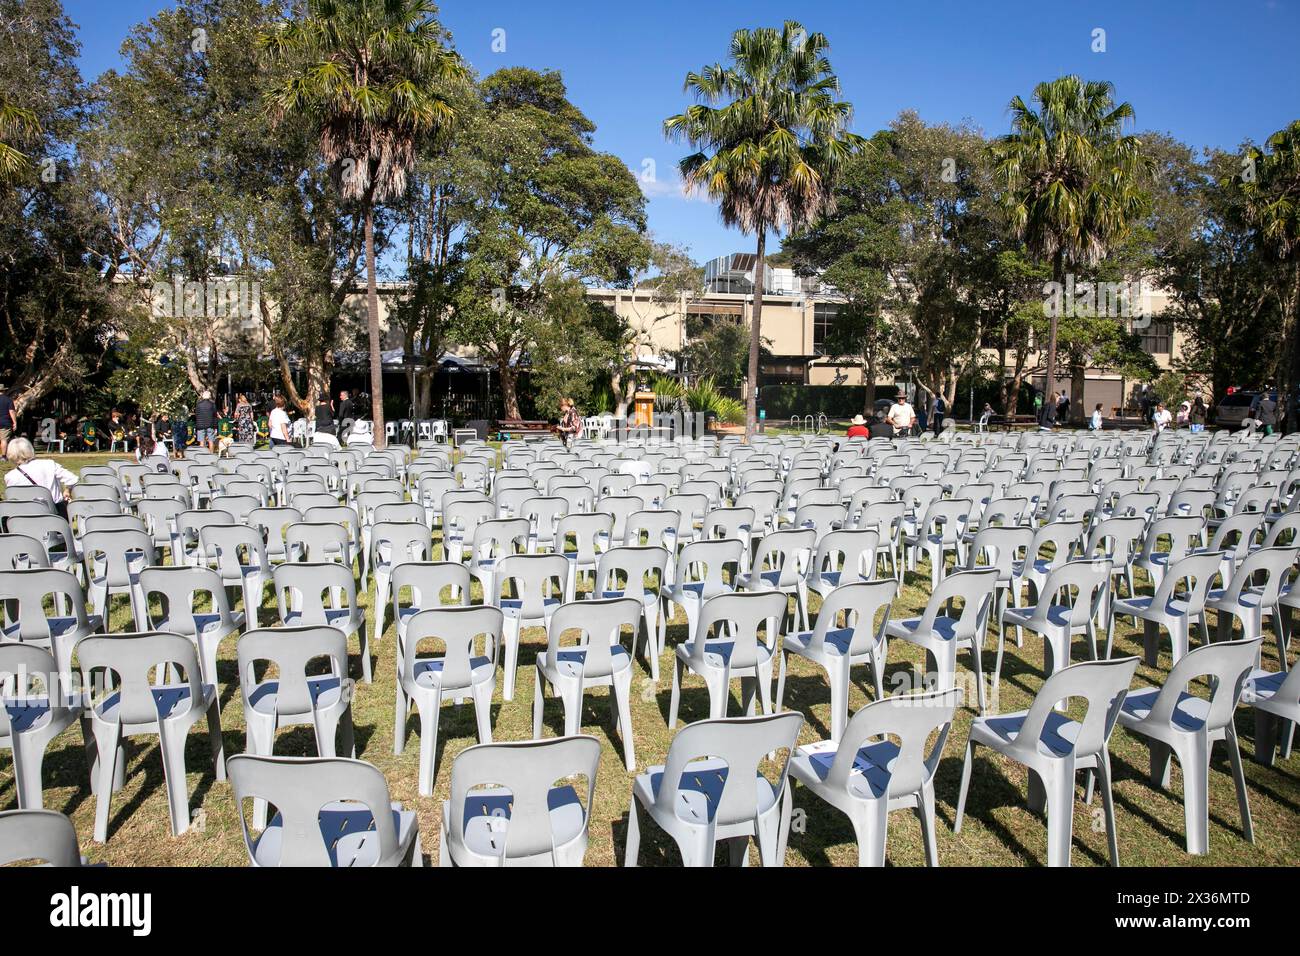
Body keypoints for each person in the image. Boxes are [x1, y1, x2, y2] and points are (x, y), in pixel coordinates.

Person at [4, 436, 77, 518]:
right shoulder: (49, 464)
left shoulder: (10, 476)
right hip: (56, 514)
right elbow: (73, 479)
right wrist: (67, 490)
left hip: (27, 516)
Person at [195, 389, 219, 453]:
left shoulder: (198, 404)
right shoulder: (212, 404)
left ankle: (201, 456)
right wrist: (216, 427)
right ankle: (211, 455)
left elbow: (196, 415)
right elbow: (215, 416)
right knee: (211, 441)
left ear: (203, 396)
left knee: (201, 442)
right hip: (210, 425)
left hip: (200, 425)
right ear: (209, 396)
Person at [0, 384, 16, 458]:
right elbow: (11, 412)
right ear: (4, 391)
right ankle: (3, 456)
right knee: (4, 440)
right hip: (5, 422)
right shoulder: (8, 400)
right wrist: (14, 422)